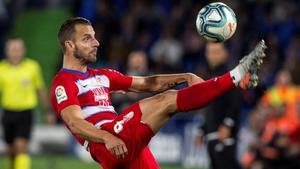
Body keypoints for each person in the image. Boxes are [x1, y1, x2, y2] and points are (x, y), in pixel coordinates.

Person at [50, 17, 267, 169]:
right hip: (109, 140)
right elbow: (75, 123)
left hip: (125, 146)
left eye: (94, 37)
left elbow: (147, 83)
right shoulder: (63, 82)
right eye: (87, 38)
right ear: (69, 45)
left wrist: (186, 77)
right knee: (167, 100)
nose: (96, 42)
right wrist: (107, 137)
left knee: (165, 97)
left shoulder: (102, 75)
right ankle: (237, 75)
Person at [0, 37, 55, 169]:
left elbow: (40, 89)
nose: (15, 52)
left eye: (18, 49)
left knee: (21, 147)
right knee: (12, 151)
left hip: (25, 113)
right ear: (7, 51)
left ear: (23, 50)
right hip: (8, 113)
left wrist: (47, 111)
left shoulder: (32, 67)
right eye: (12, 49)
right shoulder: (1, 69)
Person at [196, 43, 242, 169]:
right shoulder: (209, 76)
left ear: (225, 54)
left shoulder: (230, 76)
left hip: (224, 134)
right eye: (209, 52)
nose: (212, 56)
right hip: (211, 134)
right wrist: (203, 129)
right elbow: (211, 108)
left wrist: (228, 124)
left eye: (216, 52)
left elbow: (235, 102)